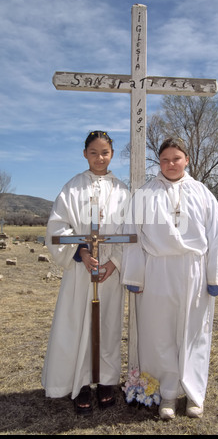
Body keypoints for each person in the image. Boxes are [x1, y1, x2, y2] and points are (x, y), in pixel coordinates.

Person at [121, 137, 218, 419]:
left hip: (194, 271)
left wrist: (216, 275)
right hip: (158, 269)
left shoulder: (202, 193)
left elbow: (217, 234)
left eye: (176, 158)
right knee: (159, 333)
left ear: (187, 160)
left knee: (194, 333)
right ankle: (167, 394)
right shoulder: (145, 194)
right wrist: (135, 274)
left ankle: (195, 394)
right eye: (165, 159)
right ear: (159, 162)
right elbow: (132, 235)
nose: (170, 164)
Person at [42, 130, 130, 414]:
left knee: (107, 326)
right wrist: (82, 252)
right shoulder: (73, 188)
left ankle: (105, 381)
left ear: (112, 154)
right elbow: (58, 228)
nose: (99, 158)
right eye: (94, 152)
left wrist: (113, 263)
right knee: (76, 324)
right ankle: (79, 383)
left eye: (105, 152)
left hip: (109, 274)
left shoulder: (122, 191)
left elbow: (131, 232)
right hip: (81, 271)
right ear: (84, 154)